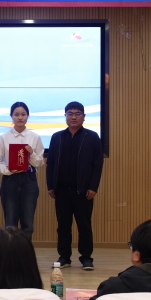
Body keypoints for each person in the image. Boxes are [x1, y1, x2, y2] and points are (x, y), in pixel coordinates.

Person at [46, 101, 103, 270]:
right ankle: (64, 257)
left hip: (83, 191)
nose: (73, 117)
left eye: (77, 113)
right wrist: (51, 185)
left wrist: (93, 187)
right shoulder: (57, 137)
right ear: (65, 116)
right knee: (63, 226)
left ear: (84, 117)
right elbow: (51, 163)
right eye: (70, 113)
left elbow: (97, 164)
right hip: (61, 190)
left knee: (84, 225)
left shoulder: (92, 137)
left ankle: (86, 258)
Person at [0, 102, 45, 240]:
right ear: (11, 116)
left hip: (29, 180)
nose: (20, 117)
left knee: (28, 224)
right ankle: (10, 253)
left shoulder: (34, 137)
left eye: (23, 114)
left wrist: (31, 153)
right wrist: (8, 170)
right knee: (10, 223)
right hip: (10, 180)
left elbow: (40, 162)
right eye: (16, 114)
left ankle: (24, 252)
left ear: (28, 116)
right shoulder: (4, 137)